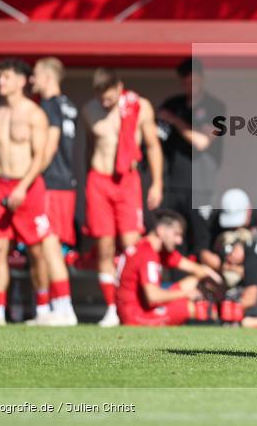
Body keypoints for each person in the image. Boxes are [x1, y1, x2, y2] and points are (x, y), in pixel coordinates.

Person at [82, 68, 163, 327]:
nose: (105, 103)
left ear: (120, 87)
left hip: (127, 180)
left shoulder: (139, 106)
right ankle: (110, 308)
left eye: (109, 98)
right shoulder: (89, 110)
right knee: (104, 247)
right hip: (99, 180)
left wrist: (157, 183)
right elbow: (89, 146)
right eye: (101, 99)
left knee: (131, 246)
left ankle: (132, 303)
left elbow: (152, 145)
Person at [0, 58, 50, 325]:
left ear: (21, 81)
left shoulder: (34, 114)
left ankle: (43, 309)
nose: (0, 82)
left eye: (6, 77)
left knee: (36, 250)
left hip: (27, 185)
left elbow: (40, 157)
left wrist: (22, 187)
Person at [157, 58, 226, 262]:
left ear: (202, 80)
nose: (190, 87)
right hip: (173, 186)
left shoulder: (216, 107)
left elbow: (202, 141)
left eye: (194, 82)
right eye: (186, 82)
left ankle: (200, 289)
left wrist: (176, 121)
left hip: (201, 186)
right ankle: (174, 288)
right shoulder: (173, 104)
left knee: (200, 241)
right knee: (172, 240)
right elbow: (155, 134)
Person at [28, 57, 77, 325]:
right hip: (64, 183)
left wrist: (29, 178)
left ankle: (63, 307)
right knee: (48, 246)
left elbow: (50, 144)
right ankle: (49, 308)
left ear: (48, 77)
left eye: (35, 74)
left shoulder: (48, 106)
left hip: (51, 184)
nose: (32, 80)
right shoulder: (67, 104)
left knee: (49, 245)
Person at [116, 209, 222, 326]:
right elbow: (153, 297)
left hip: (142, 307)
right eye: (176, 234)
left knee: (194, 281)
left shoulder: (158, 251)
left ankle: (223, 306)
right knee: (194, 307)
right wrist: (186, 293)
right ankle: (225, 318)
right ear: (160, 230)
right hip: (136, 316)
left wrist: (219, 283)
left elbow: (198, 270)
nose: (179, 241)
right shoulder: (147, 253)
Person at [201, 188, 257, 268]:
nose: (234, 226)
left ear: (249, 210)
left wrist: (247, 256)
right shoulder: (215, 221)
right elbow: (204, 251)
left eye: (237, 220)